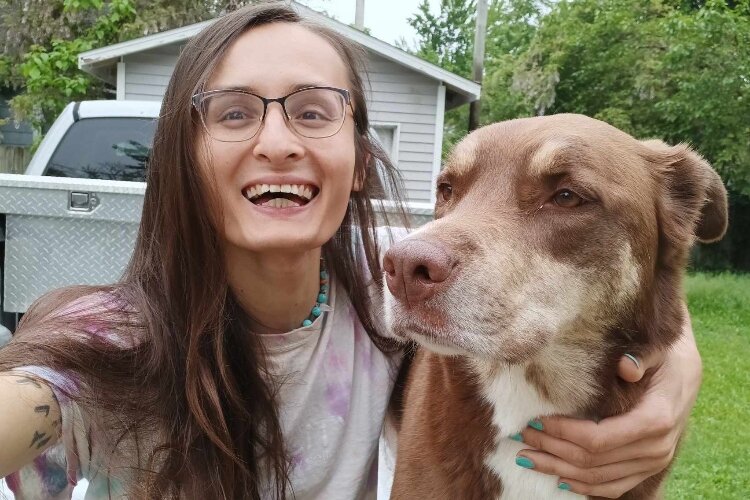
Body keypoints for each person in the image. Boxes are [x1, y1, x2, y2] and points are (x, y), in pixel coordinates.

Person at [0, 3, 702, 499]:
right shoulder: (111, 338)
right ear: (184, 161)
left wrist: (669, 383)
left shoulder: (383, 298)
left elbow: (644, 281)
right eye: (236, 113)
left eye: (312, 111)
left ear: (360, 163)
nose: (276, 142)